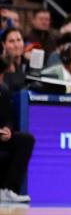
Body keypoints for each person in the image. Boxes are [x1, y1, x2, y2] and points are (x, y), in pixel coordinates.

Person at [0, 73, 33, 202]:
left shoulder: (3, 91)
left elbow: (7, 118)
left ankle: (7, 190)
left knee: (26, 140)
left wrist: (8, 129)